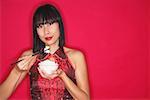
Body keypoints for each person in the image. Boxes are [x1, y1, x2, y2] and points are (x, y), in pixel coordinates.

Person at [0, 4, 90, 100]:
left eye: (50, 24)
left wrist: (62, 76)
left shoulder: (76, 56)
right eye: (40, 26)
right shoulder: (30, 56)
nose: (46, 31)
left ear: (59, 24)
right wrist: (17, 71)